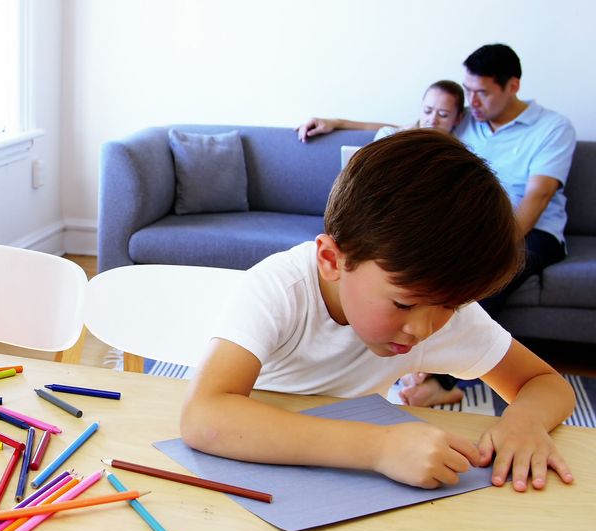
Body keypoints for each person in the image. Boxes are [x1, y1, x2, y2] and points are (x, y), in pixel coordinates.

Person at [181, 129, 575, 493]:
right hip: (237, 477)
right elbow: (204, 415)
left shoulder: (439, 313)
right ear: (331, 260)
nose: (423, 328)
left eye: (450, 304)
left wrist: (524, 421)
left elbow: (544, 382)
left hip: (340, 488)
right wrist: (379, 448)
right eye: (403, 303)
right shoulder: (282, 289)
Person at [294, 45, 577, 408]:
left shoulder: (552, 128)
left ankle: (441, 380)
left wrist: (485, 249)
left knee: (476, 278)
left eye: (483, 92)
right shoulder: (467, 121)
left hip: (527, 230)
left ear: (513, 87)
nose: (472, 100)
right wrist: (338, 123)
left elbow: (537, 198)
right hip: (461, 226)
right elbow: (407, 129)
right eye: (468, 90)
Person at [295, 79, 465, 143]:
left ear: (458, 118)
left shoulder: (462, 150)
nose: (432, 120)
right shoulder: (396, 133)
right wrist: (335, 122)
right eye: (427, 111)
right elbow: (374, 127)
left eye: (443, 115)